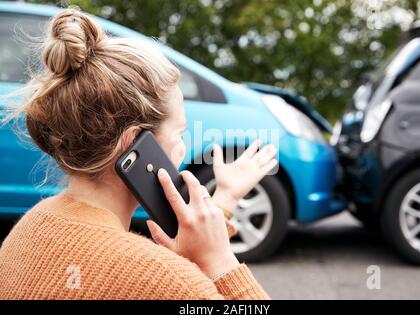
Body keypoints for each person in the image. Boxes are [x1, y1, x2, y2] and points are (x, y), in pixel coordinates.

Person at [0, 7, 279, 299]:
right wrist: (220, 261)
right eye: (179, 134)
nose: (182, 147)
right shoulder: (170, 282)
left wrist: (223, 200)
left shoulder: (28, 228)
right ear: (134, 143)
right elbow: (151, 279)